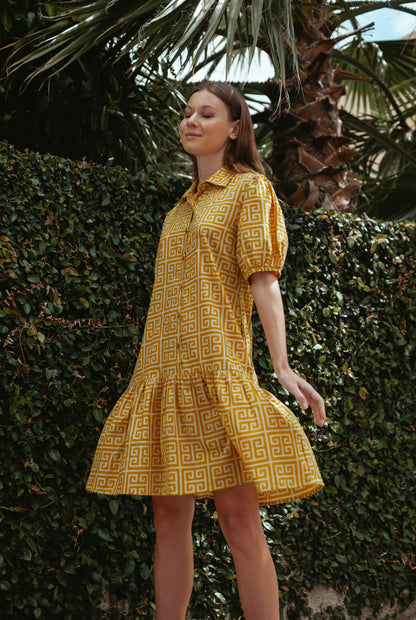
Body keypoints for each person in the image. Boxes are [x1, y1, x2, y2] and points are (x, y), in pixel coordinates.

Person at [86, 81, 326, 620]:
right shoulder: (177, 211)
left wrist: (282, 366)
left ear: (235, 128)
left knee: (239, 520)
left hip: (217, 371)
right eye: (187, 112)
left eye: (207, 113)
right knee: (169, 519)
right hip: (163, 370)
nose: (191, 120)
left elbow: (264, 280)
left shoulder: (250, 191)